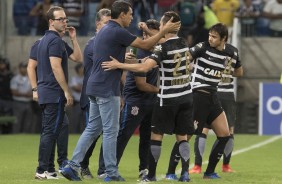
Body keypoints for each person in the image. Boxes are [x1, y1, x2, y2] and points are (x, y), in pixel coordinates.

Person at [60, 0, 180, 182]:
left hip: (93, 85)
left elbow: (109, 53)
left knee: (93, 128)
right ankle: (111, 172)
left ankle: (72, 166)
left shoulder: (105, 30)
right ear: (122, 14)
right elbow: (146, 46)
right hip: (107, 88)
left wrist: (123, 58)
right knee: (111, 131)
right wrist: (164, 31)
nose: (132, 17)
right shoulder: (117, 31)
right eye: (130, 14)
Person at [101, 11, 194, 182]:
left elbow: (144, 68)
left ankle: (150, 176)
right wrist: (148, 30)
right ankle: (185, 174)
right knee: (182, 137)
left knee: (156, 136)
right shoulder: (183, 43)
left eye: (161, 24)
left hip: (167, 98)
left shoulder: (161, 48)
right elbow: (161, 39)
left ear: (165, 25)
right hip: (187, 97)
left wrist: (119, 64)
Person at [97, 18, 160, 179]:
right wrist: (161, 90)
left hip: (150, 100)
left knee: (146, 137)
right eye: (145, 34)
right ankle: (106, 168)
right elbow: (141, 84)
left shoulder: (157, 52)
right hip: (136, 100)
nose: (146, 37)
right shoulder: (141, 52)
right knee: (123, 134)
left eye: (150, 34)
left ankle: (143, 168)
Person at [32, 6, 82, 179]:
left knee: (56, 128)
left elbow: (77, 58)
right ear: (51, 21)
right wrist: (67, 91)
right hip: (54, 92)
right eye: (60, 19)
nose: (65, 22)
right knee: (50, 131)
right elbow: (55, 66)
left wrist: (74, 39)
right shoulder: (55, 41)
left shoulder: (45, 40)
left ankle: (51, 168)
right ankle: (42, 169)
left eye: (65, 18)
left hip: (47, 92)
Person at [187, 23, 243, 179]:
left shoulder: (231, 51)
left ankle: (206, 169)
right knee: (192, 133)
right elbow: (239, 72)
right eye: (210, 35)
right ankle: (183, 170)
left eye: (214, 36)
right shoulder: (206, 47)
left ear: (224, 38)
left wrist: (219, 71)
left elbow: (239, 71)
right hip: (204, 94)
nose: (210, 39)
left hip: (216, 95)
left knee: (223, 133)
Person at [78, 8, 111, 180]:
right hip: (93, 95)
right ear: (98, 24)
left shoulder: (105, 43)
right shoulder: (93, 44)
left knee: (108, 132)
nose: (109, 27)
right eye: (106, 23)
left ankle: (103, 169)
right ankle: (81, 165)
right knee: (93, 133)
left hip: (105, 93)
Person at [10, 62, 33, 133]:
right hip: (18, 102)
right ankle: (15, 136)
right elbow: (14, 92)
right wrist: (25, 94)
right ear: (19, 69)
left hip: (29, 102)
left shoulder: (31, 78)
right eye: (22, 67)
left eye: (25, 67)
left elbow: (34, 89)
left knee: (28, 121)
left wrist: (31, 94)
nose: (24, 69)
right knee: (17, 121)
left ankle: (26, 136)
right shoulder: (15, 79)